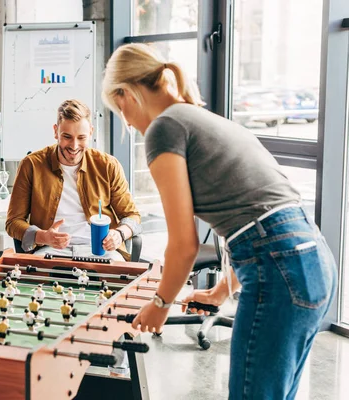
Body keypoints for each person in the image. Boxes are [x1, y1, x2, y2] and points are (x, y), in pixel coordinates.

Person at [101, 42, 337, 399]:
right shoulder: (202, 118)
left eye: (119, 108)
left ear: (127, 94)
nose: (128, 123)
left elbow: (184, 245)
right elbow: (264, 219)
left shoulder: (164, 128)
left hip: (281, 269)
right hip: (313, 263)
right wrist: (221, 290)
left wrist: (160, 305)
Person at [6, 99, 142, 261]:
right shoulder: (31, 165)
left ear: (91, 132)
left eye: (81, 137)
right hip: (50, 250)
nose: (74, 146)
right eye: (67, 137)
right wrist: (42, 236)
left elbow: (132, 216)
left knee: (116, 283)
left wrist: (120, 234)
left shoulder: (108, 165)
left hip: (101, 250)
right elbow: (13, 222)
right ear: (55, 131)